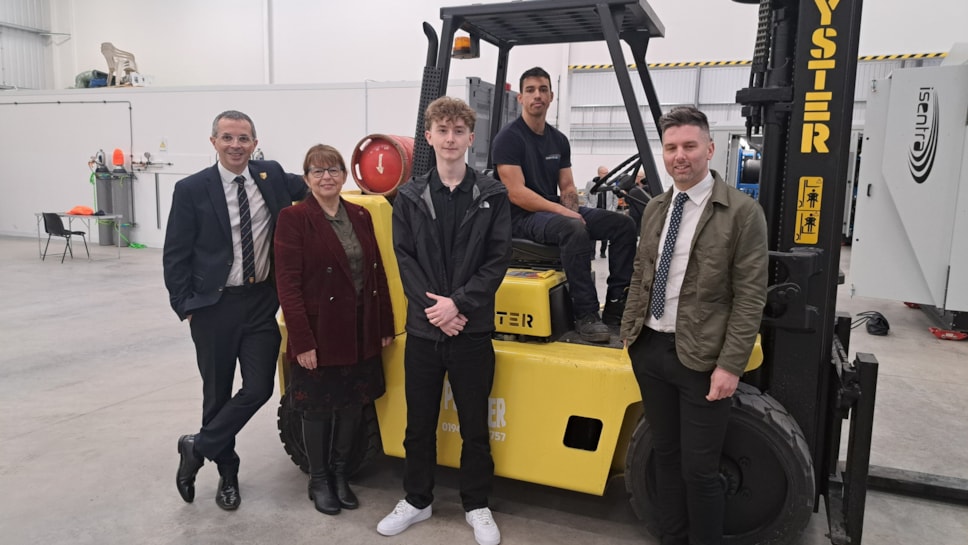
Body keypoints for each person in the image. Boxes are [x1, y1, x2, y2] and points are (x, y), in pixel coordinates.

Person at [619, 106, 768, 545]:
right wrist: (630, 332)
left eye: (688, 146)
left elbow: (750, 296)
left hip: (701, 359)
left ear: (709, 148)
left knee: (699, 470)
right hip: (651, 348)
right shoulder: (657, 208)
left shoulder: (742, 213)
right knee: (664, 457)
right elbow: (643, 271)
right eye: (670, 147)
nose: (679, 156)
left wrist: (731, 365)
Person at [378, 96, 511, 545]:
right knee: (420, 423)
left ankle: (476, 504)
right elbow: (405, 258)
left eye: (459, 131)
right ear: (429, 137)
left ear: (470, 139)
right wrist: (438, 312)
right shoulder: (411, 197)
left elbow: (497, 261)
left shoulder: (491, 195)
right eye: (443, 130)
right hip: (424, 332)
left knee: (476, 425)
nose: (450, 139)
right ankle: (417, 500)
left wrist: (459, 306)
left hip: (471, 331)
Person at [163, 110, 307, 511]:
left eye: (243, 138)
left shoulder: (271, 175)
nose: (236, 145)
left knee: (260, 387)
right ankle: (228, 474)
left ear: (255, 143)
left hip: (261, 301)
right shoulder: (192, 189)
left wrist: (381, 186)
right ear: (214, 142)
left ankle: (197, 447)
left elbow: (316, 184)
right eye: (227, 138)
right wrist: (186, 305)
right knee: (217, 393)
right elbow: (175, 253)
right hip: (214, 306)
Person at [273, 144, 395, 515]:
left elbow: (377, 273)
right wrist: (302, 341)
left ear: (344, 175)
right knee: (318, 409)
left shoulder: (359, 215)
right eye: (317, 171)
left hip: (359, 325)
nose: (326, 177)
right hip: (320, 329)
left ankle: (341, 474)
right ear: (307, 178)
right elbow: (288, 285)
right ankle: (319, 478)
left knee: (354, 405)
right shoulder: (294, 219)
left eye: (333, 169)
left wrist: (384, 324)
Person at [491, 67, 637, 343]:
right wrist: (565, 214)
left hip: (550, 213)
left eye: (543, 89)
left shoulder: (558, 140)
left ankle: (617, 303)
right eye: (531, 90)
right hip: (521, 217)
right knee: (572, 228)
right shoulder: (509, 138)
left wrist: (572, 210)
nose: (538, 95)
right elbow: (517, 193)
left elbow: (568, 187)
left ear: (551, 96)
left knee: (623, 225)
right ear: (521, 98)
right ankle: (586, 314)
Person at [585, 165, 616, 259]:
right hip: (594, 211)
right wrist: (589, 206)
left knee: (605, 233)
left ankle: (603, 252)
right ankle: (592, 254)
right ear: (599, 173)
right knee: (592, 233)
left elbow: (615, 198)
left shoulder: (611, 184)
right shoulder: (591, 183)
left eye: (607, 173)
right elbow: (586, 196)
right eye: (604, 173)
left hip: (606, 211)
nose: (607, 174)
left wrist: (613, 209)